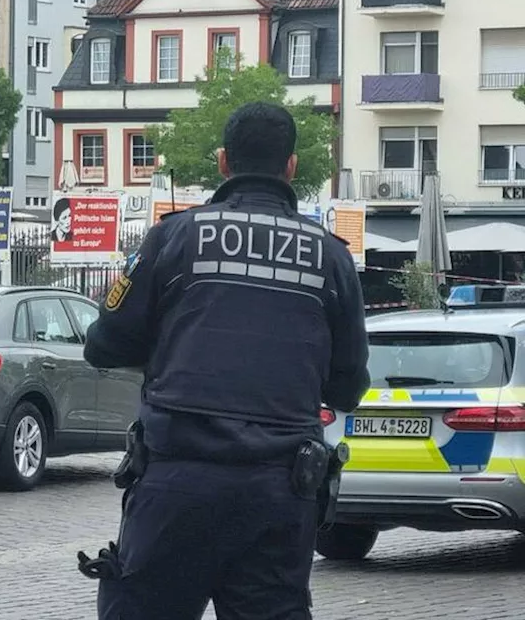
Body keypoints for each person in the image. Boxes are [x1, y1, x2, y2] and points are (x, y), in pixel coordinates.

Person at [83, 102, 370, 619]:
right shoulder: (332, 258)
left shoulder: (173, 238)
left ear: (222, 162)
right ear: (291, 166)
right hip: (281, 492)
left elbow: (103, 344)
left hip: (176, 485)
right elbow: (348, 387)